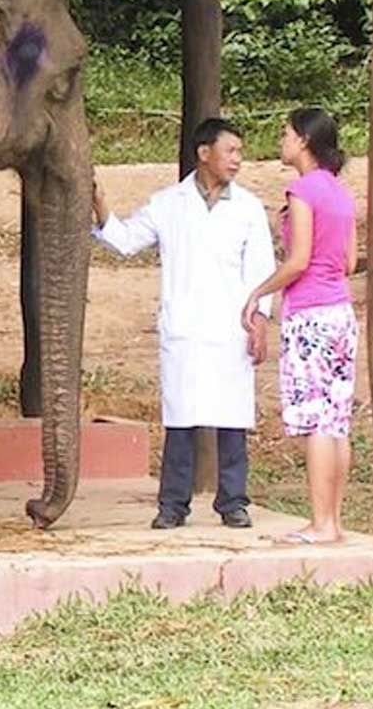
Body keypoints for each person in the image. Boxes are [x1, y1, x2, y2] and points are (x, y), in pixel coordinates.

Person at [94, 118, 276, 530]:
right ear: (204, 152)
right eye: (231, 151)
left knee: (232, 419)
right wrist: (101, 205)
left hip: (233, 326)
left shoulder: (247, 207)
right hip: (186, 327)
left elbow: (262, 270)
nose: (237, 160)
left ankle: (233, 502)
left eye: (240, 153)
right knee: (182, 419)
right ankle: (173, 505)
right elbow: (124, 240)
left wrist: (260, 318)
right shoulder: (168, 203)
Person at [241, 106, 359, 546]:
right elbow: (347, 261)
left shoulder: (302, 191)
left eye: (286, 133)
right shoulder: (340, 193)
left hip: (309, 313)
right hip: (341, 313)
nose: (282, 139)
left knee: (314, 421)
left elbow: (298, 260)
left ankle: (319, 522)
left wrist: (258, 292)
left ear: (305, 141)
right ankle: (334, 520)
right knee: (336, 419)